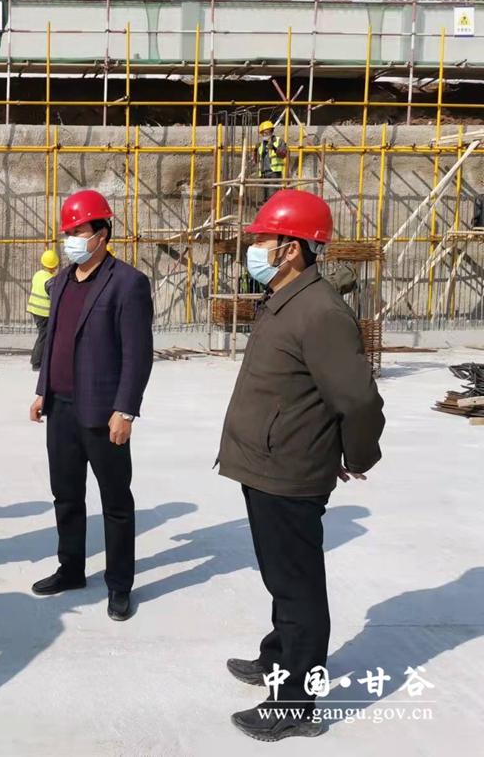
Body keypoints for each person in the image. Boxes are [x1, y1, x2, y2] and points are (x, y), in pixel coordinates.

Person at [218, 189, 385, 741]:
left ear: (291, 248)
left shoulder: (320, 312)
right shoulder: (285, 298)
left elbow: (358, 400)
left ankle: (295, 703)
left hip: (288, 472)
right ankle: (278, 658)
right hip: (267, 463)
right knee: (281, 577)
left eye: (263, 241)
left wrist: (356, 454)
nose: (254, 250)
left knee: (298, 589)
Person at [29, 190, 154, 622]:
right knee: (66, 495)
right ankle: (71, 569)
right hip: (61, 409)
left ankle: (119, 585)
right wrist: (43, 390)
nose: (71, 240)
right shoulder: (62, 280)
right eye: (68, 232)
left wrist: (126, 410)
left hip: (104, 413)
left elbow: (138, 354)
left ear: (102, 234)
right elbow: (53, 341)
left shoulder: (128, 283)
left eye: (79, 231)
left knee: (115, 502)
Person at [28, 248, 58, 371]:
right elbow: (54, 297)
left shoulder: (38, 274)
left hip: (34, 309)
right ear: (55, 265)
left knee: (43, 334)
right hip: (44, 312)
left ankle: (36, 359)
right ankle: (36, 362)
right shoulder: (50, 280)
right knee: (44, 336)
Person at [253, 120, 288, 203]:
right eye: (262, 133)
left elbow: (283, 155)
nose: (264, 135)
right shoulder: (261, 144)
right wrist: (255, 151)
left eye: (266, 133)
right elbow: (256, 160)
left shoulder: (278, 141)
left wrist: (274, 148)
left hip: (274, 174)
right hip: (263, 174)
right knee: (265, 199)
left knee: (273, 198)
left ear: (271, 131)